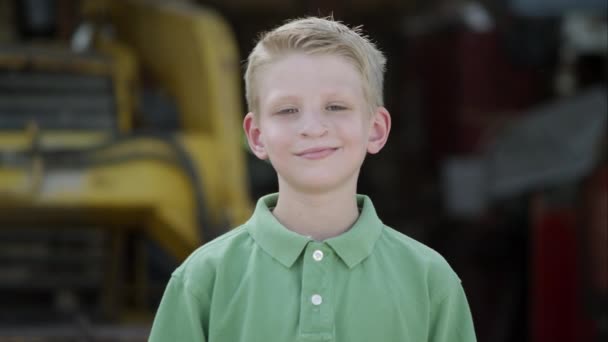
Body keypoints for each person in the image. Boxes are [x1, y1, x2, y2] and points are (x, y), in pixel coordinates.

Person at [149, 16, 476, 342]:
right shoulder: (203, 279)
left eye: (335, 106)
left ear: (375, 130)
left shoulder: (430, 280)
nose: (313, 128)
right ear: (257, 135)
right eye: (287, 110)